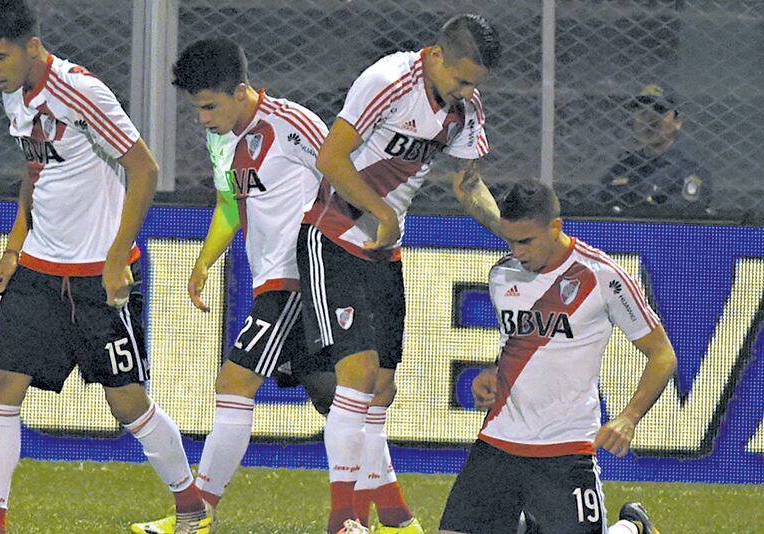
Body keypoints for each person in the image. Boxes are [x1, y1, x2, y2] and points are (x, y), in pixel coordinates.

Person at [0, 1, 209, 533]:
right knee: (3, 383)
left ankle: (192, 506)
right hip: (38, 268)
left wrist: (116, 257)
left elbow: (144, 168)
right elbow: (34, 174)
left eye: (0, 56)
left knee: (127, 402)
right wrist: (13, 249)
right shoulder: (16, 96)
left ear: (32, 46)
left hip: (97, 275)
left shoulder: (81, 91)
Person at [299, 13, 505, 534]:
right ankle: (342, 518)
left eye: (474, 83)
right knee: (358, 377)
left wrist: (515, 235)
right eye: (461, 78)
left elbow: (468, 185)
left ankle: (391, 515)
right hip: (334, 234)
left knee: (383, 389)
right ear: (435, 55)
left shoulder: (465, 110)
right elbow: (330, 157)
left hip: (384, 251)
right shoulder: (388, 81)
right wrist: (385, 212)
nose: (466, 90)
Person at [130, 37, 337, 534]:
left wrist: (344, 264)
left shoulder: (293, 125)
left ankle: (197, 515)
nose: (202, 118)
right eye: (196, 108)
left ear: (241, 91)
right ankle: (398, 519)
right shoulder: (224, 138)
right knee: (339, 401)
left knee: (234, 383)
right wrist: (204, 262)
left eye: (209, 106)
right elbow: (230, 207)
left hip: (297, 280)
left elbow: (342, 181)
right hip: (270, 279)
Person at [439, 181, 677, 534]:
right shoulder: (502, 276)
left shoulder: (602, 277)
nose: (516, 251)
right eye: (510, 240)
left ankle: (631, 528)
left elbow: (662, 355)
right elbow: (519, 346)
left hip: (566, 449)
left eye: (526, 241)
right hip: (498, 442)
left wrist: (629, 417)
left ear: (555, 228)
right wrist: (491, 373)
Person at [600, 84, 713, 218]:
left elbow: (678, 219)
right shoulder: (620, 169)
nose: (650, 119)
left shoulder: (689, 173)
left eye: (660, 110)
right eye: (642, 112)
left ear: (678, 121)